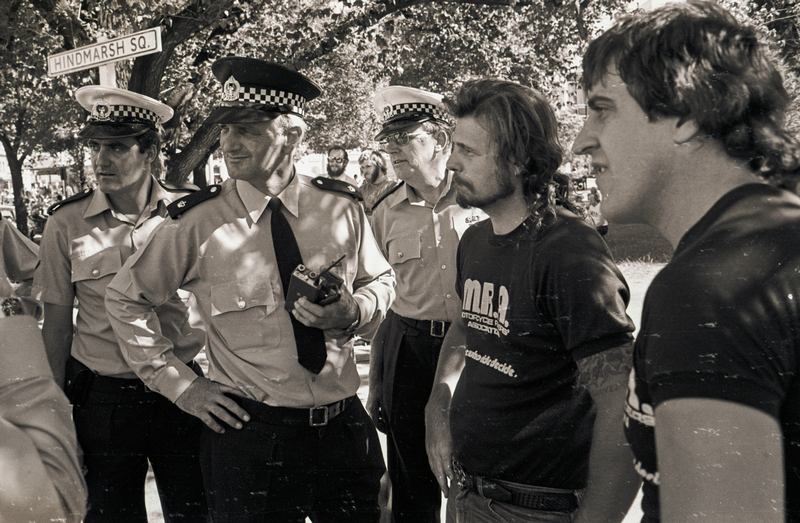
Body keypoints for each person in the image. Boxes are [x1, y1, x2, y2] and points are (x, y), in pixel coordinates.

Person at [105, 57, 396, 522]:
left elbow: (380, 279)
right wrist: (182, 387)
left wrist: (356, 311)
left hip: (343, 432)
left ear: (292, 136)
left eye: (247, 130)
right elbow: (125, 299)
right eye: (224, 130)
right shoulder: (196, 221)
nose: (228, 144)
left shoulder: (340, 206)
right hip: (251, 438)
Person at [572, 2, 800, 521]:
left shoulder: (710, 290)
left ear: (686, 115)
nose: (581, 140)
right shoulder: (776, 239)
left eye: (602, 109)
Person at [425, 79, 641, 523]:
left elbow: (622, 400)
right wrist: (438, 403)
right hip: (467, 495)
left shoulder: (568, 252)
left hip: (537, 509)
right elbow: (466, 327)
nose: (450, 162)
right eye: (453, 147)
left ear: (520, 160)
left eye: (467, 151)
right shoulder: (474, 240)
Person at [33, 85, 208, 522]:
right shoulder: (65, 222)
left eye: (116, 147)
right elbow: (57, 326)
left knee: (197, 513)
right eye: (95, 147)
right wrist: (55, 414)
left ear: (150, 152)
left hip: (182, 392)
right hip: (104, 401)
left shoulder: (190, 214)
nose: (100, 160)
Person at [367, 85, 486, 522]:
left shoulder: (480, 196)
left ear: (440, 139)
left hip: (477, 348)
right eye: (388, 139)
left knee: (475, 472)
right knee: (411, 479)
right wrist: (377, 380)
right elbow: (384, 297)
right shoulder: (383, 212)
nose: (392, 149)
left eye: (405, 137)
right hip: (410, 349)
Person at [358, 148, 400, 217]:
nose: (365, 171)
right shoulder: (362, 189)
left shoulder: (393, 187)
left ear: (379, 166)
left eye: (368, 166)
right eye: (363, 167)